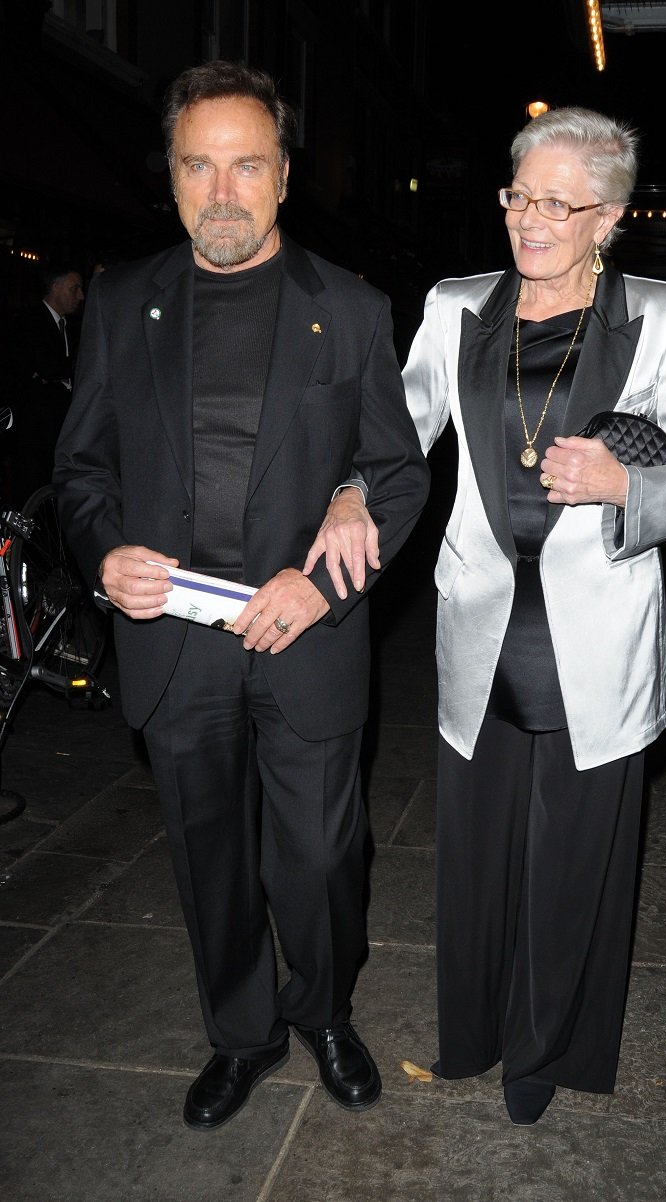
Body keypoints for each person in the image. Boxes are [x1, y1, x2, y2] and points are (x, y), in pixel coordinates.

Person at [310, 106, 666, 1125]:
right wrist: (345, 489)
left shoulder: (662, 315)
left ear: (609, 217)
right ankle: (478, 1029)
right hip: (479, 627)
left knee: (575, 861)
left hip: (596, 637)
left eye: (558, 200)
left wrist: (619, 484)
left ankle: (546, 1049)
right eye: (517, 194)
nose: (530, 217)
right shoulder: (457, 305)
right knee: (478, 854)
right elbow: (393, 431)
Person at [53, 60, 429, 1131]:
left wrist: (319, 586)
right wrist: (103, 551)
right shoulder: (124, 299)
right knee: (207, 853)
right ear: (171, 175)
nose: (222, 190)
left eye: (245, 165)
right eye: (198, 165)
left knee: (316, 856)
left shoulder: (348, 308)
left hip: (302, 630)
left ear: (282, 176)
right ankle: (243, 1030)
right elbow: (82, 469)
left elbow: (396, 471)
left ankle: (321, 1012)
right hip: (174, 637)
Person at [8, 263, 84, 504]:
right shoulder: (28, 321)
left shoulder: (73, 326)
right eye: (75, 289)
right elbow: (47, 367)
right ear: (56, 287)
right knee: (32, 488)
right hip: (35, 430)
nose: (80, 296)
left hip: (63, 427)